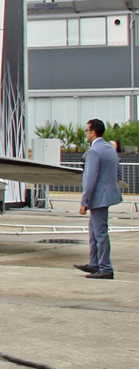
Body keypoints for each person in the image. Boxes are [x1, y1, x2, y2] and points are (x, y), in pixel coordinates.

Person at [76, 119, 123, 279]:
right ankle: (95, 262)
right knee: (95, 231)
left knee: (100, 233)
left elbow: (90, 179)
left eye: (87, 131)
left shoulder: (94, 151)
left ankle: (105, 267)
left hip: (98, 197)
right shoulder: (110, 149)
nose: (86, 134)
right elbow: (118, 173)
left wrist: (84, 201)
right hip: (108, 194)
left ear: (93, 132)